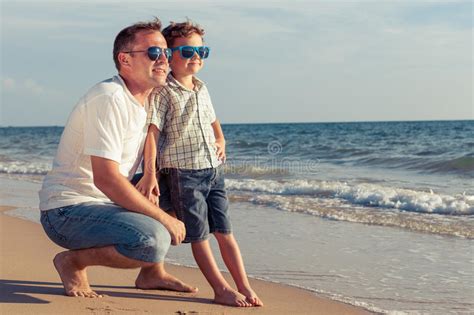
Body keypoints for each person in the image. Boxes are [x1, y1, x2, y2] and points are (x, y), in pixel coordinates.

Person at [38, 18, 197, 298]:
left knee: (181, 185)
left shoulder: (150, 99)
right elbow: (106, 179)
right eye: (153, 52)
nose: (163, 59)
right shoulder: (109, 98)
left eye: (166, 52)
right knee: (151, 240)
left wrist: (152, 177)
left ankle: (152, 273)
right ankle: (72, 261)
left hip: (104, 203)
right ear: (125, 59)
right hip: (68, 211)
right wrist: (164, 218)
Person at [135, 20, 263, 307]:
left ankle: (244, 285)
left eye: (202, 51)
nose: (196, 57)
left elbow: (213, 120)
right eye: (188, 51)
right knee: (199, 235)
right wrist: (151, 174)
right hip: (184, 174)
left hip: (213, 172)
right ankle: (220, 288)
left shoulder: (202, 88)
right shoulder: (163, 92)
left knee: (225, 232)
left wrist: (221, 140)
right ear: (168, 55)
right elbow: (151, 134)